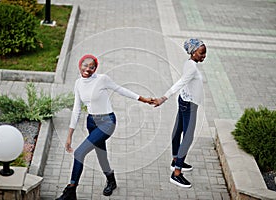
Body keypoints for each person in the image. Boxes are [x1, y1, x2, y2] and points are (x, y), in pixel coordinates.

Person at [56, 54, 152, 200]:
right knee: (101, 155)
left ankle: (70, 191)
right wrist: (69, 135)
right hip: (91, 122)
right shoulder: (78, 83)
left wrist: (143, 99)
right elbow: (76, 109)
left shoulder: (102, 79)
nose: (88, 69)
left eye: (92, 67)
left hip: (107, 122)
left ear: (95, 69)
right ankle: (111, 181)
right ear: (80, 65)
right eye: (85, 65)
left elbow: (120, 90)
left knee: (79, 153)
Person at [152, 38, 207, 188]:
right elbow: (181, 82)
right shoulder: (192, 68)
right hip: (189, 105)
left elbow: (186, 83)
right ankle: (176, 174)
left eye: (205, 53)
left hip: (184, 101)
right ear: (193, 52)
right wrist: (164, 97)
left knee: (178, 130)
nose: (204, 56)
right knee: (188, 137)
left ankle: (176, 160)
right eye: (201, 53)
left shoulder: (189, 64)